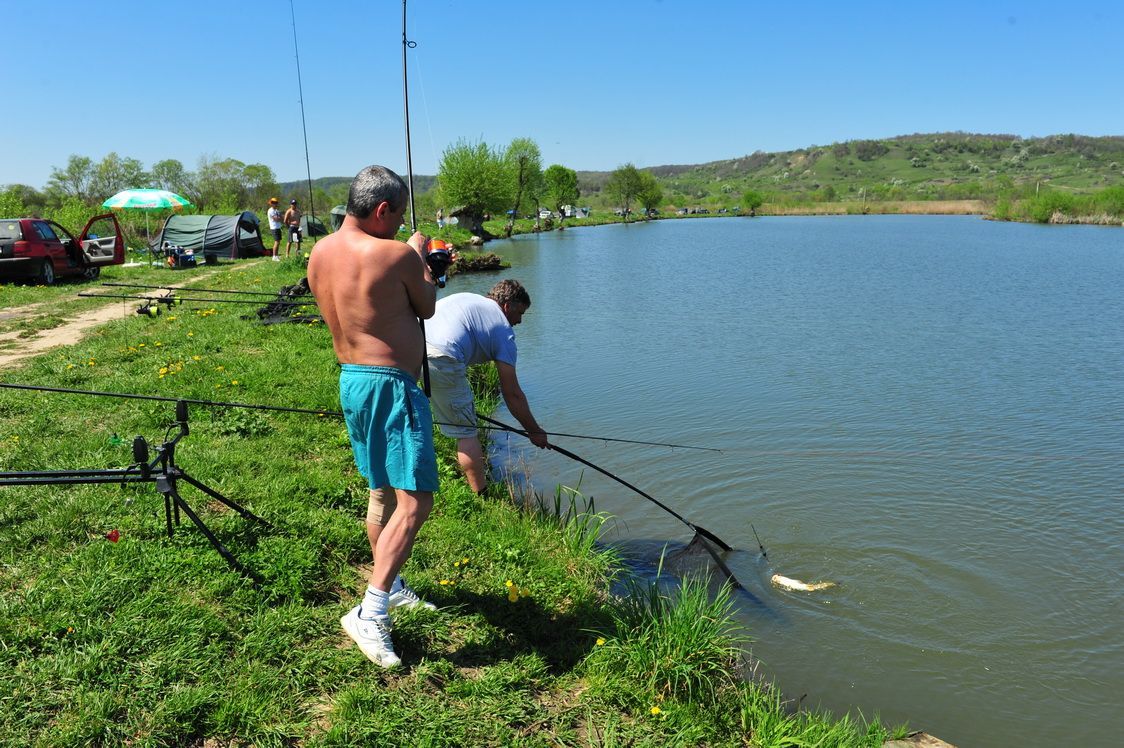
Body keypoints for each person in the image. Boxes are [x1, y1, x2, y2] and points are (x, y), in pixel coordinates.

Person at [307, 164, 441, 668]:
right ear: (382, 210)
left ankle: (394, 584)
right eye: (399, 214)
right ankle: (372, 609)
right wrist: (420, 255)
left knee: (382, 489)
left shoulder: (320, 252)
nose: (401, 223)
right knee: (416, 500)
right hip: (392, 387)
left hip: (352, 381)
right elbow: (427, 305)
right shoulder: (395, 253)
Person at [425, 280, 549, 493]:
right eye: (520, 313)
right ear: (507, 306)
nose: (519, 321)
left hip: (409, 348)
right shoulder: (503, 330)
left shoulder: (469, 299)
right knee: (466, 432)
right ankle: (481, 495)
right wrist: (534, 431)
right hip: (442, 357)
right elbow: (512, 394)